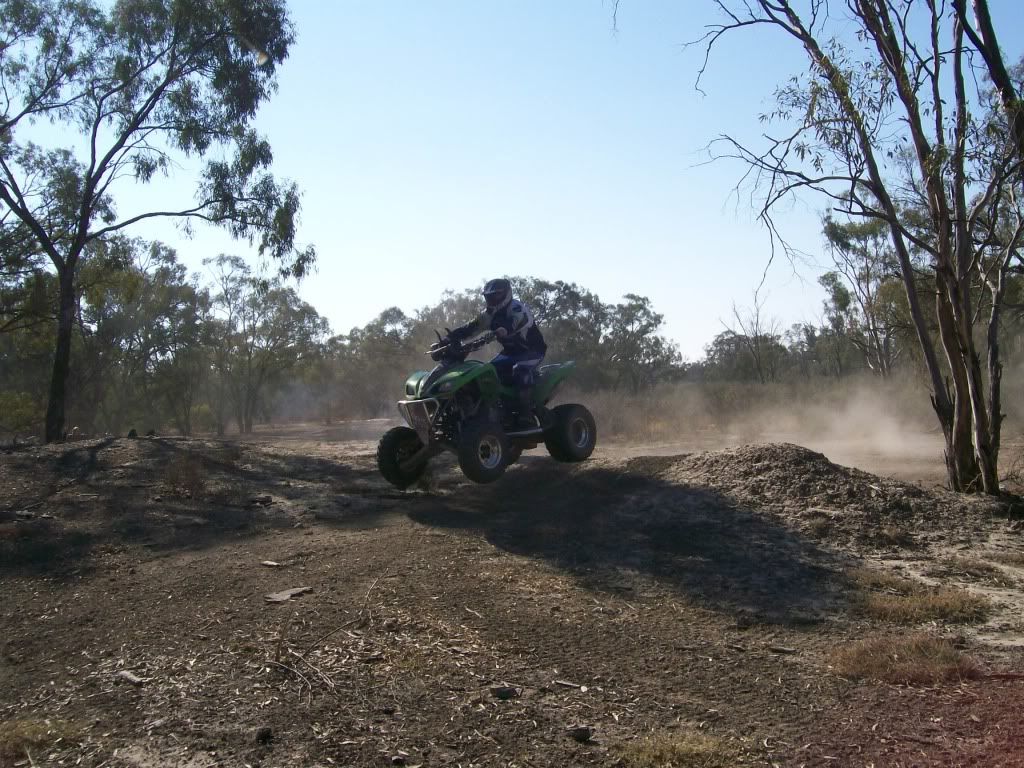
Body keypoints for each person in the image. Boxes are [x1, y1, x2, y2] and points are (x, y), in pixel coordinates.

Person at [447, 278, 547, 428]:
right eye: (489, 296)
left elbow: (514, 323)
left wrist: (503, 330)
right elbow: (470, 328)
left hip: (533, 351)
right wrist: (449, 338)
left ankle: (526, 414)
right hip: (509, 353)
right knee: (486, 373)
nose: (492, 299)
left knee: (520, 370)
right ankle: (491, 412)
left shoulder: (517, 308)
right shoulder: (489, 314)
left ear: (506, 294)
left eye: (496, 295)